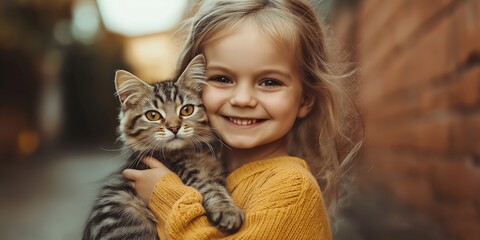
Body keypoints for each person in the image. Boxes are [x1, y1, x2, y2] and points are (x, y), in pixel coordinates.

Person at [122, 0, 363, 239]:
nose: (243, 99)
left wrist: (167, 198)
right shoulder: (204, 174)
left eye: (270, 82)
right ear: (192, 88)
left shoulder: (293, 188)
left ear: (304, 100)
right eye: (222, 79)